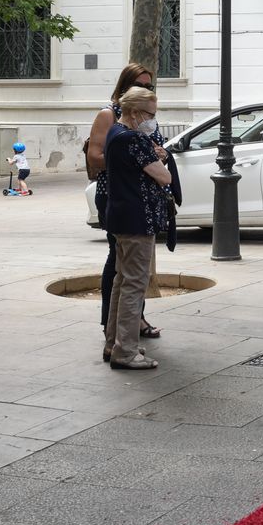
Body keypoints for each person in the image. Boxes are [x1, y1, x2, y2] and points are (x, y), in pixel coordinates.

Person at [88, 63, 166, 338]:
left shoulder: (143, 114)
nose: (145, 89)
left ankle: (130, 323)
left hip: (144, 198)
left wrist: (155, 154)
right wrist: (140, 157)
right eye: (140, 85)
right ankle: (116, 327)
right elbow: (96, 157)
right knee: (120, 263)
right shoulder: (110, 115)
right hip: (118, 195)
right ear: (124, 86)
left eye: (149, 86)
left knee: (132, 270)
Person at [103, 87, 171, 369]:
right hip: (138, 219)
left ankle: (114, 343)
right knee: (134, 285)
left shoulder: (114, 134)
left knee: (122, 281)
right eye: (150, 114)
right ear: (134, 112)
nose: (152, 121)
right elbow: (164, 177)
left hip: (120, 216)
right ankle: (126, 352)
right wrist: (159, 157)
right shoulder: (134, 140)